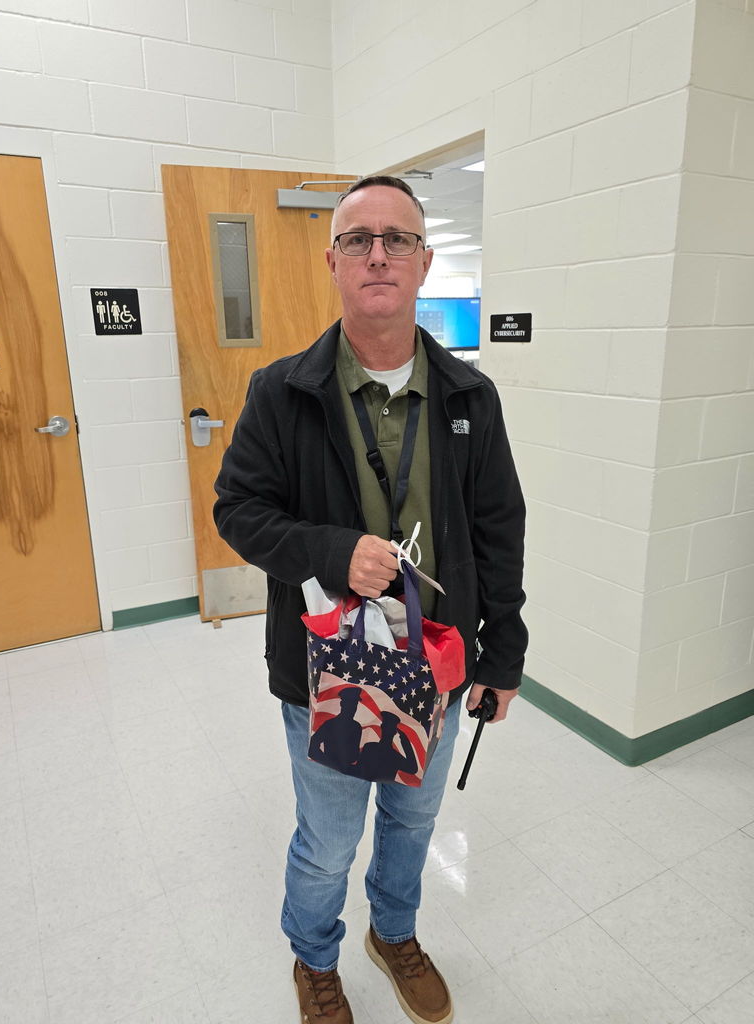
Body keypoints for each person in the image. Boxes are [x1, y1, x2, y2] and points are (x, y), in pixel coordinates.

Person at [214, 175, 527, 1024]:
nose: (379, 254)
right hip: (328, 669)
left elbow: (501, 530)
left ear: (424, 261)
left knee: (413, 822)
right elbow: (237, 512)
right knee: (327, 843)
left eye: (397, 239)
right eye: (359, 240)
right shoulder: (281, 393)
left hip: (437, 667)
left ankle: (393, 933)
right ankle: (315, 960)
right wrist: (327, 549)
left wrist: (505, 657)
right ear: (334, 262)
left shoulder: (470, 397)